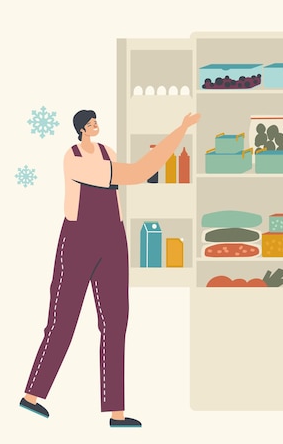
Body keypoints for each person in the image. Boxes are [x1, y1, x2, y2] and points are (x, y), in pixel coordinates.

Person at [19, 109, 201, 427]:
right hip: (78, 241)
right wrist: (180, 131)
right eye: (89, 124)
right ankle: (32, 395)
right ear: (81, 130)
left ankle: (116, 412)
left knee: (116, 324)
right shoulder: (73, 158)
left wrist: (179, 132)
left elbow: (133, 173)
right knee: (62, 322)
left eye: (95, 122)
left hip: (113, 238)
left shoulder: (108, 153)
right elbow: (136, 173)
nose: (95, 126)